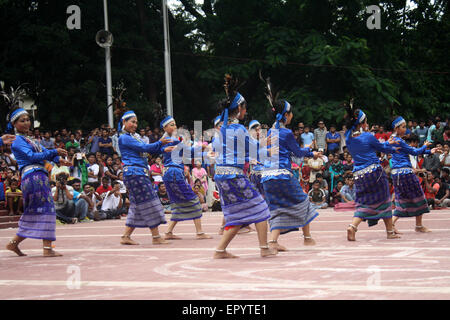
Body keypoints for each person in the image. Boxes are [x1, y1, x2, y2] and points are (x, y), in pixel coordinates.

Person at [212, 74, 276, 259]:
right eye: (244, 107)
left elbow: (242, 152)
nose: (245, 110)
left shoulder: (223, 129)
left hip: (221, 175)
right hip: (234, 175)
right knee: (261, 208)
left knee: (234, 215)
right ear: (239, 108)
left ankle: (220, 250)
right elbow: (254, 148)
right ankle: (264, 248)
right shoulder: (238, 129)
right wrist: (267, 146)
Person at [260, 78, 319, 253]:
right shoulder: (285, 132)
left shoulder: (269, 131)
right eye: (291, 113)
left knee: (277, 207)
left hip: (267, 176)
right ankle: (307, 238)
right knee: (304, 201)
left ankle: (273, 242)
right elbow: (298, 153)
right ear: (286, 115)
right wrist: (312, 152)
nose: (292, 116)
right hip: (282, 174)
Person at [4, 100, 69, 257]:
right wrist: (54, 152)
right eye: (22, 120)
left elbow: (44, 152)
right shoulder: (17, 141)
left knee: (35, 211)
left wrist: (57, 159)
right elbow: (31, 156)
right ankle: (47, 249)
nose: (27, 122)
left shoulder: (30, 139)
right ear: (14, 124)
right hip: (33, 177)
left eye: (28, 119)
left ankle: (14, 243)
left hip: (37, 176)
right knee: (46, 209)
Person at [117, 109, 175, 246]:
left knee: (138, 205)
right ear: (124, 122)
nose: (135, 124)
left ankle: (126, 236)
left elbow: (145, 150)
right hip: (135, 173)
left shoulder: (133, 136)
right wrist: (160, 143)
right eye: (132, 122)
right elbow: (144, 147)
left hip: (137, 173)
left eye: (136, 122)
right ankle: (155, 236)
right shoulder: (124, 137)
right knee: (150, 201)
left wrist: (162, 149)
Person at [344, 104, 400, 241]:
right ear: (362, 123)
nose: (367, 124)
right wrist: (392, 145)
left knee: (363, 202)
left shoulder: (348, 139)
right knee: (385, 199)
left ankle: (353, 226)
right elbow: (382, 148)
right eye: (366, 121)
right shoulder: (368, 137)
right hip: (374, 172)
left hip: (359, 175)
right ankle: (390, 231)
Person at [159, 115, 211, 240]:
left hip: (168, 174)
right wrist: (202, 148)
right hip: (175, 173)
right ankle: (199, 232)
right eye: (172, 125)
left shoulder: (165, 140)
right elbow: (189, 151)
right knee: (193, 199)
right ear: (165, 128)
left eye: (175, 124)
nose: (175, 127)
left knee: (177, 203)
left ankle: (168, 232)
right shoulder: (172, 140)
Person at [389, 116, 441, 234]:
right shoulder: (399, 140)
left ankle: (392, 224)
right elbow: (414, 151)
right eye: (403, 127)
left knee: (402, 199)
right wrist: (426, 146)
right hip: (405, 173)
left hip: (396, 174)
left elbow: (410, 150)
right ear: (396, 128)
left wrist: (428, 151)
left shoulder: (392, 139)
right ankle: (418, 225)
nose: (405, 129)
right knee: (419, 197)